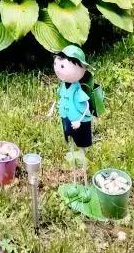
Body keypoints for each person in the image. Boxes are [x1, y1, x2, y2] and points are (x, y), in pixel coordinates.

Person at [48, 44, 94, 183]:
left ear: (82, 68)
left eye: (62, 66)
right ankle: (74, 181)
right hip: (66, 118)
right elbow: (60, 98)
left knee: (81, 149)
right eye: (56, 64)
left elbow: (86, 105)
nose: (57, 68)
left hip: (79, 122)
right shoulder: (63, 85)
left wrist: (79, 120)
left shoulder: (78, 90)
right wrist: (52, 108)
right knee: (71, 146)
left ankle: (85, 183)